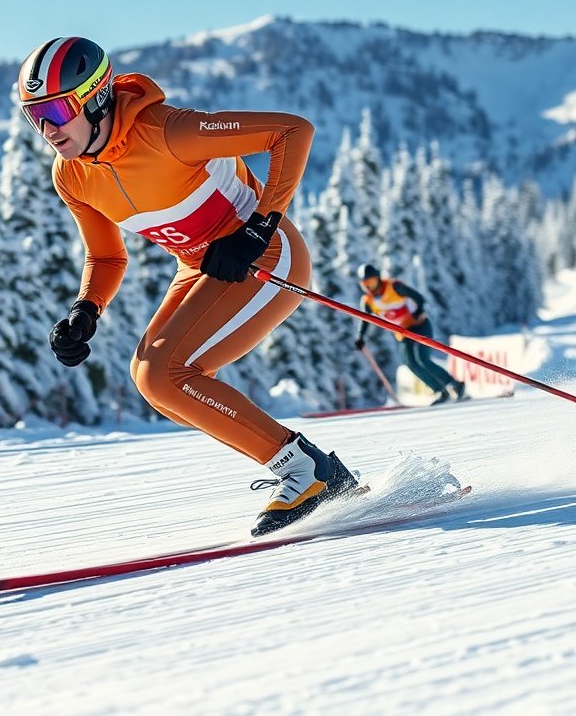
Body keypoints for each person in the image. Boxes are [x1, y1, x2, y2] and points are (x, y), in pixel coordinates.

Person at [18, 36, 358, 537]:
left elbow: (292, 131)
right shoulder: (72, 176)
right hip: (200, 268)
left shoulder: (168, 132)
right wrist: (86, 309)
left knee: (164, 374)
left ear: (95, 98)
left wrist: (258, 227)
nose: (46, 129)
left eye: (55, 110)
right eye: (33, 115)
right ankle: (315, 473)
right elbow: (107, 256)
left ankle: (308, 472)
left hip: (264, 255)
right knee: (159, 386)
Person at [353, 264, 467, 405]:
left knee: (422, 359)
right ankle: (439, 390)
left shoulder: (394, 287)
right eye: (365, 284)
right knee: (410, 364)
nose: (368, 287)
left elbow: (419, 298)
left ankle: (454, 384)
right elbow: (365, 319)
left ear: (378, 278)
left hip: (419, 326)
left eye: (371, 282)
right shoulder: (368, 301)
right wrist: (360, 337)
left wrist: (418, 312)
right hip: (402, 333)